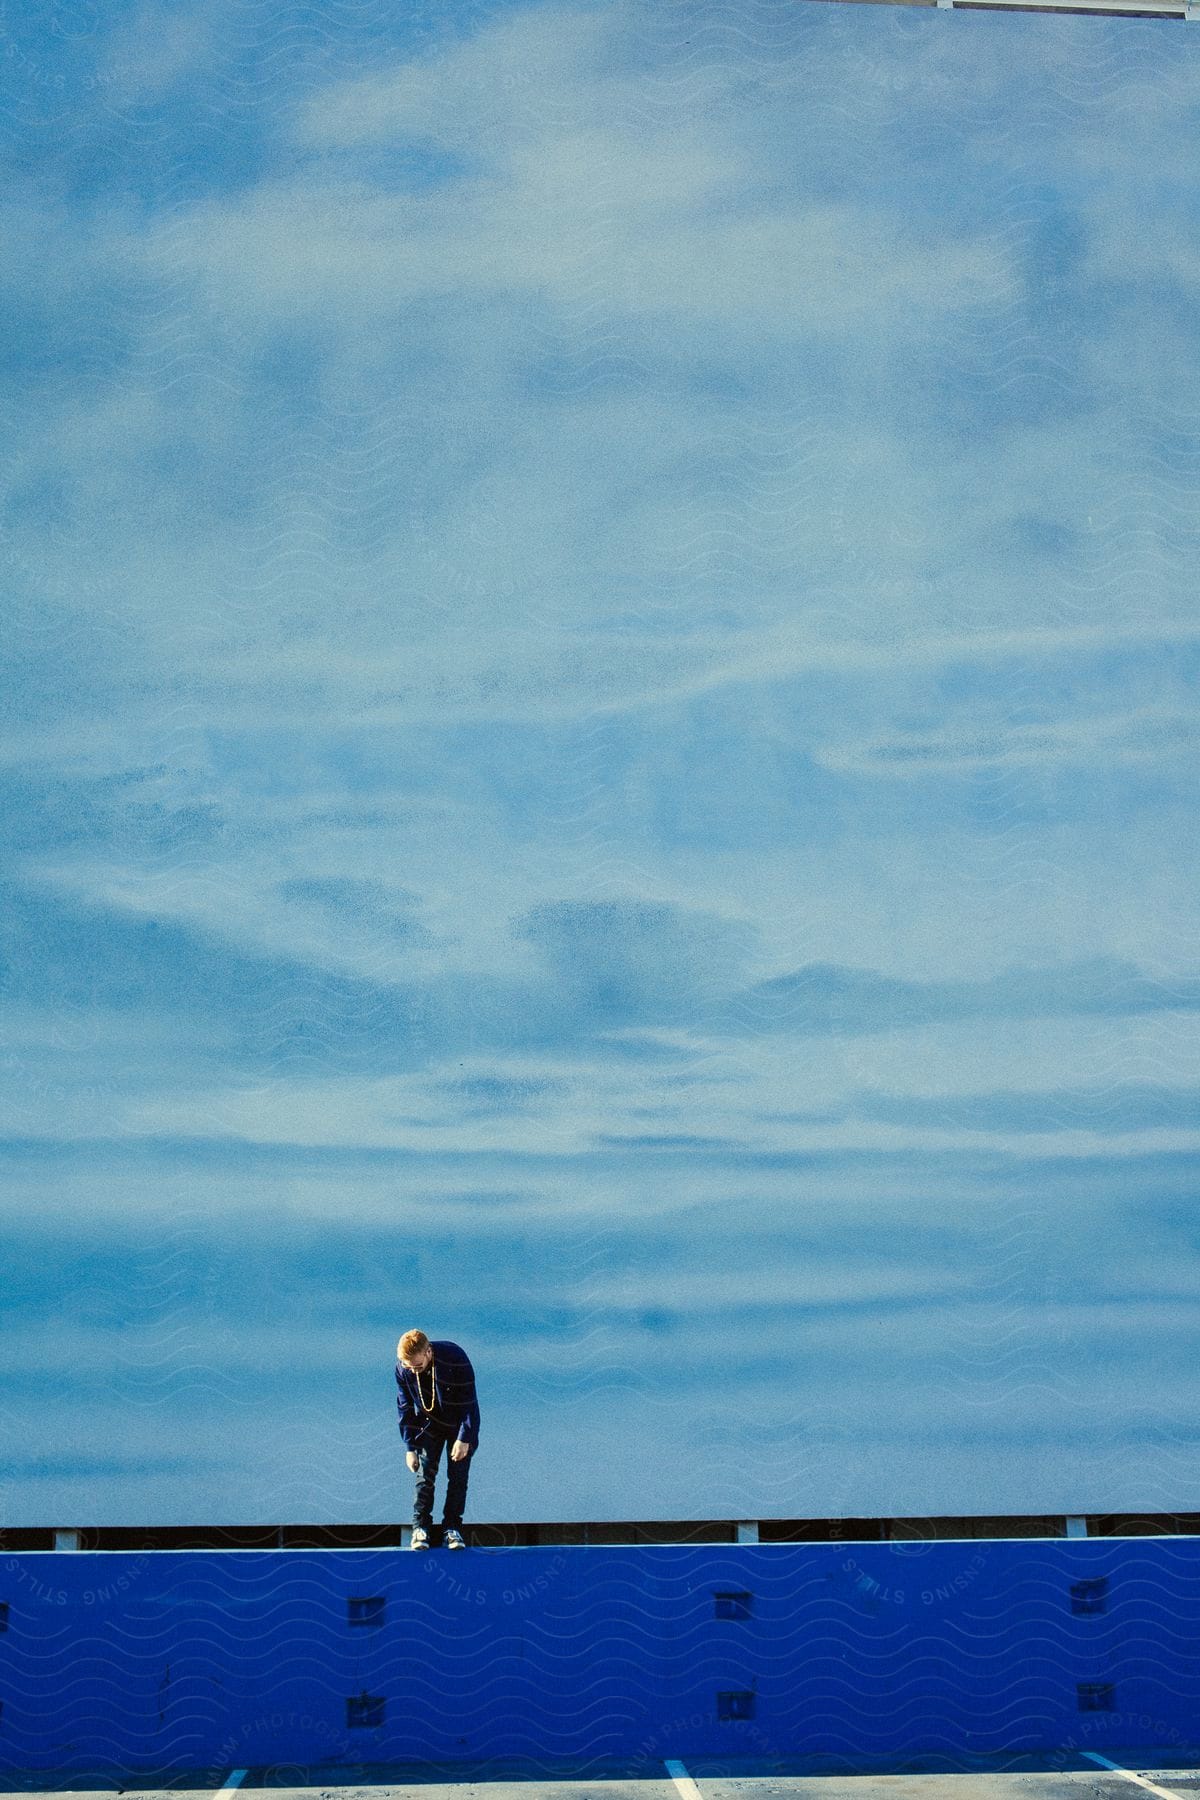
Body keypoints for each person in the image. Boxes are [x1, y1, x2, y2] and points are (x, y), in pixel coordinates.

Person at [395, 1329, 480, 1550]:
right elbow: (405, 1408)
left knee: (458, 1476)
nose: (413, 1370)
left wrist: (465, 1437)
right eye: (408, 1367)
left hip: (458, 1423)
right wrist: (410, 1446)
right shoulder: (403, 1370)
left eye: (417, 1365)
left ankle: (452, 1528)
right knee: (425, 1475)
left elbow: (470, 1401)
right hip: (428, 1425)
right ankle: (420, 1527)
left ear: (428, 1352)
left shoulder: (454, 1356)